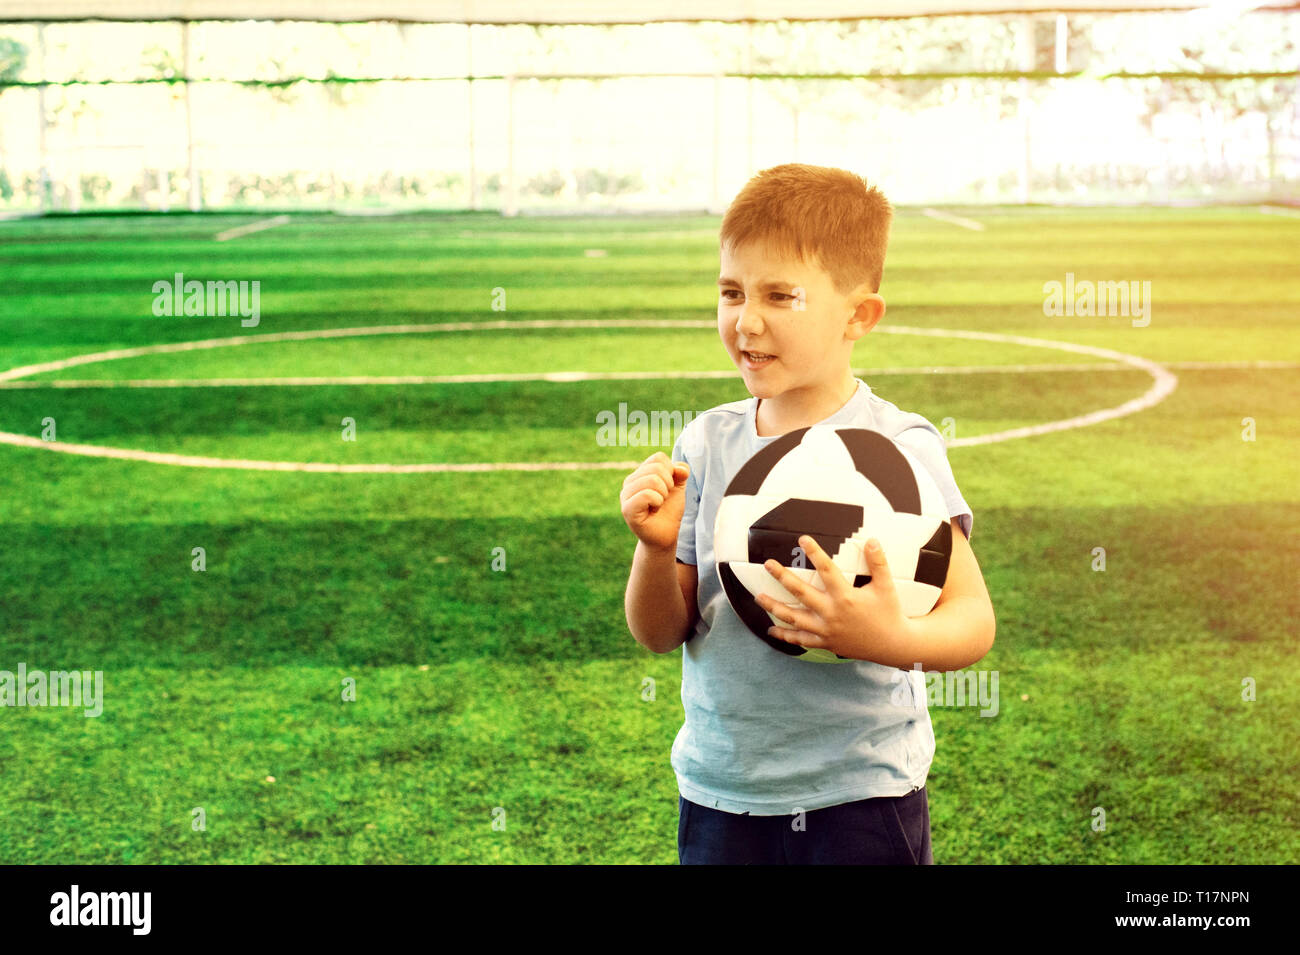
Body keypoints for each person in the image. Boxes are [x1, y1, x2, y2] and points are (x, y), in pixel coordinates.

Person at [619, 163, 996, 865]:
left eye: (780, 295)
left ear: (859, 315)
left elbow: (973, 621)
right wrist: (652, 548)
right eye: (731, 292)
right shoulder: (705, 441)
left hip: (858, 792)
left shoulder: (897, 448)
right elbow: (659, 631)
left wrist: (885, 634)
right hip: (721, 787)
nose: (747, 319)